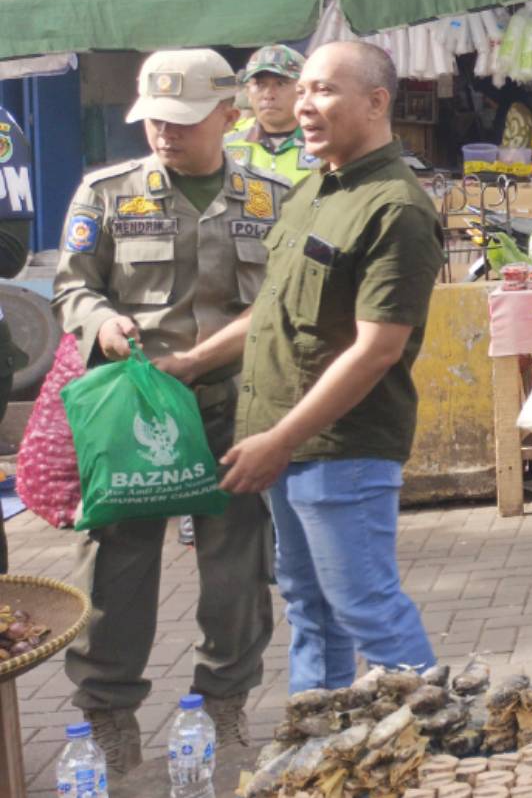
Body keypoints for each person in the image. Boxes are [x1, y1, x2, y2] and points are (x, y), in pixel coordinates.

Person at [163, 40, 444, 692]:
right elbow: (274, 305)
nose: (304, 105)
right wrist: (197, 360)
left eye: (324, 90)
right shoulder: (315, 185)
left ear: (376, 103)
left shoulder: (394, 209)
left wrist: (279, 440)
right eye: (303, 90)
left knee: (366, 609)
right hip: (283, 445)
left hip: (337, 449)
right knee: (311, 610)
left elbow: (378, 349)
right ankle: (317, 753)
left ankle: (440, 751)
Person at [52, 49, 285, 778]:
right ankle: (110, 713)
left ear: (229, 114)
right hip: (133, 413)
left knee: (235, 571)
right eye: (153, 119)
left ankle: (224, 704)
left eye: (182, 121)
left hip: (229, 411)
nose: (164, 134)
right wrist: (101, 323)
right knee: (116, 567)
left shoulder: (271, 198)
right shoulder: (106, 193)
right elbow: (71, 290)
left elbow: (277, 306)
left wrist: (199, 362)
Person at [224, 43, 317, 182]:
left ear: (302, 90)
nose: (268, 94)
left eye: (281, 84)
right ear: (248, 91)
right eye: (260, 84)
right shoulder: (227, 142)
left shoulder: (324, 142)